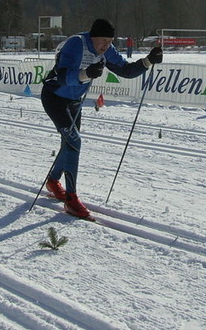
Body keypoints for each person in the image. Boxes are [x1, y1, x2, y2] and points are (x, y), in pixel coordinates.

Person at [40, 18, 162, 219]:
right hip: (55, 97)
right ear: (93, 37)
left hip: (74, 101)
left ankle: (53, 181)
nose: (106, 46)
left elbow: (125, 70)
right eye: (103, 41)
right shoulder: (76, 44)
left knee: (69, 143)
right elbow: (63, 76)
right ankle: (71, 199)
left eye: (110, 41)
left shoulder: (107, 51)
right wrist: (85, 74)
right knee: (74, 141)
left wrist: (148, 60)